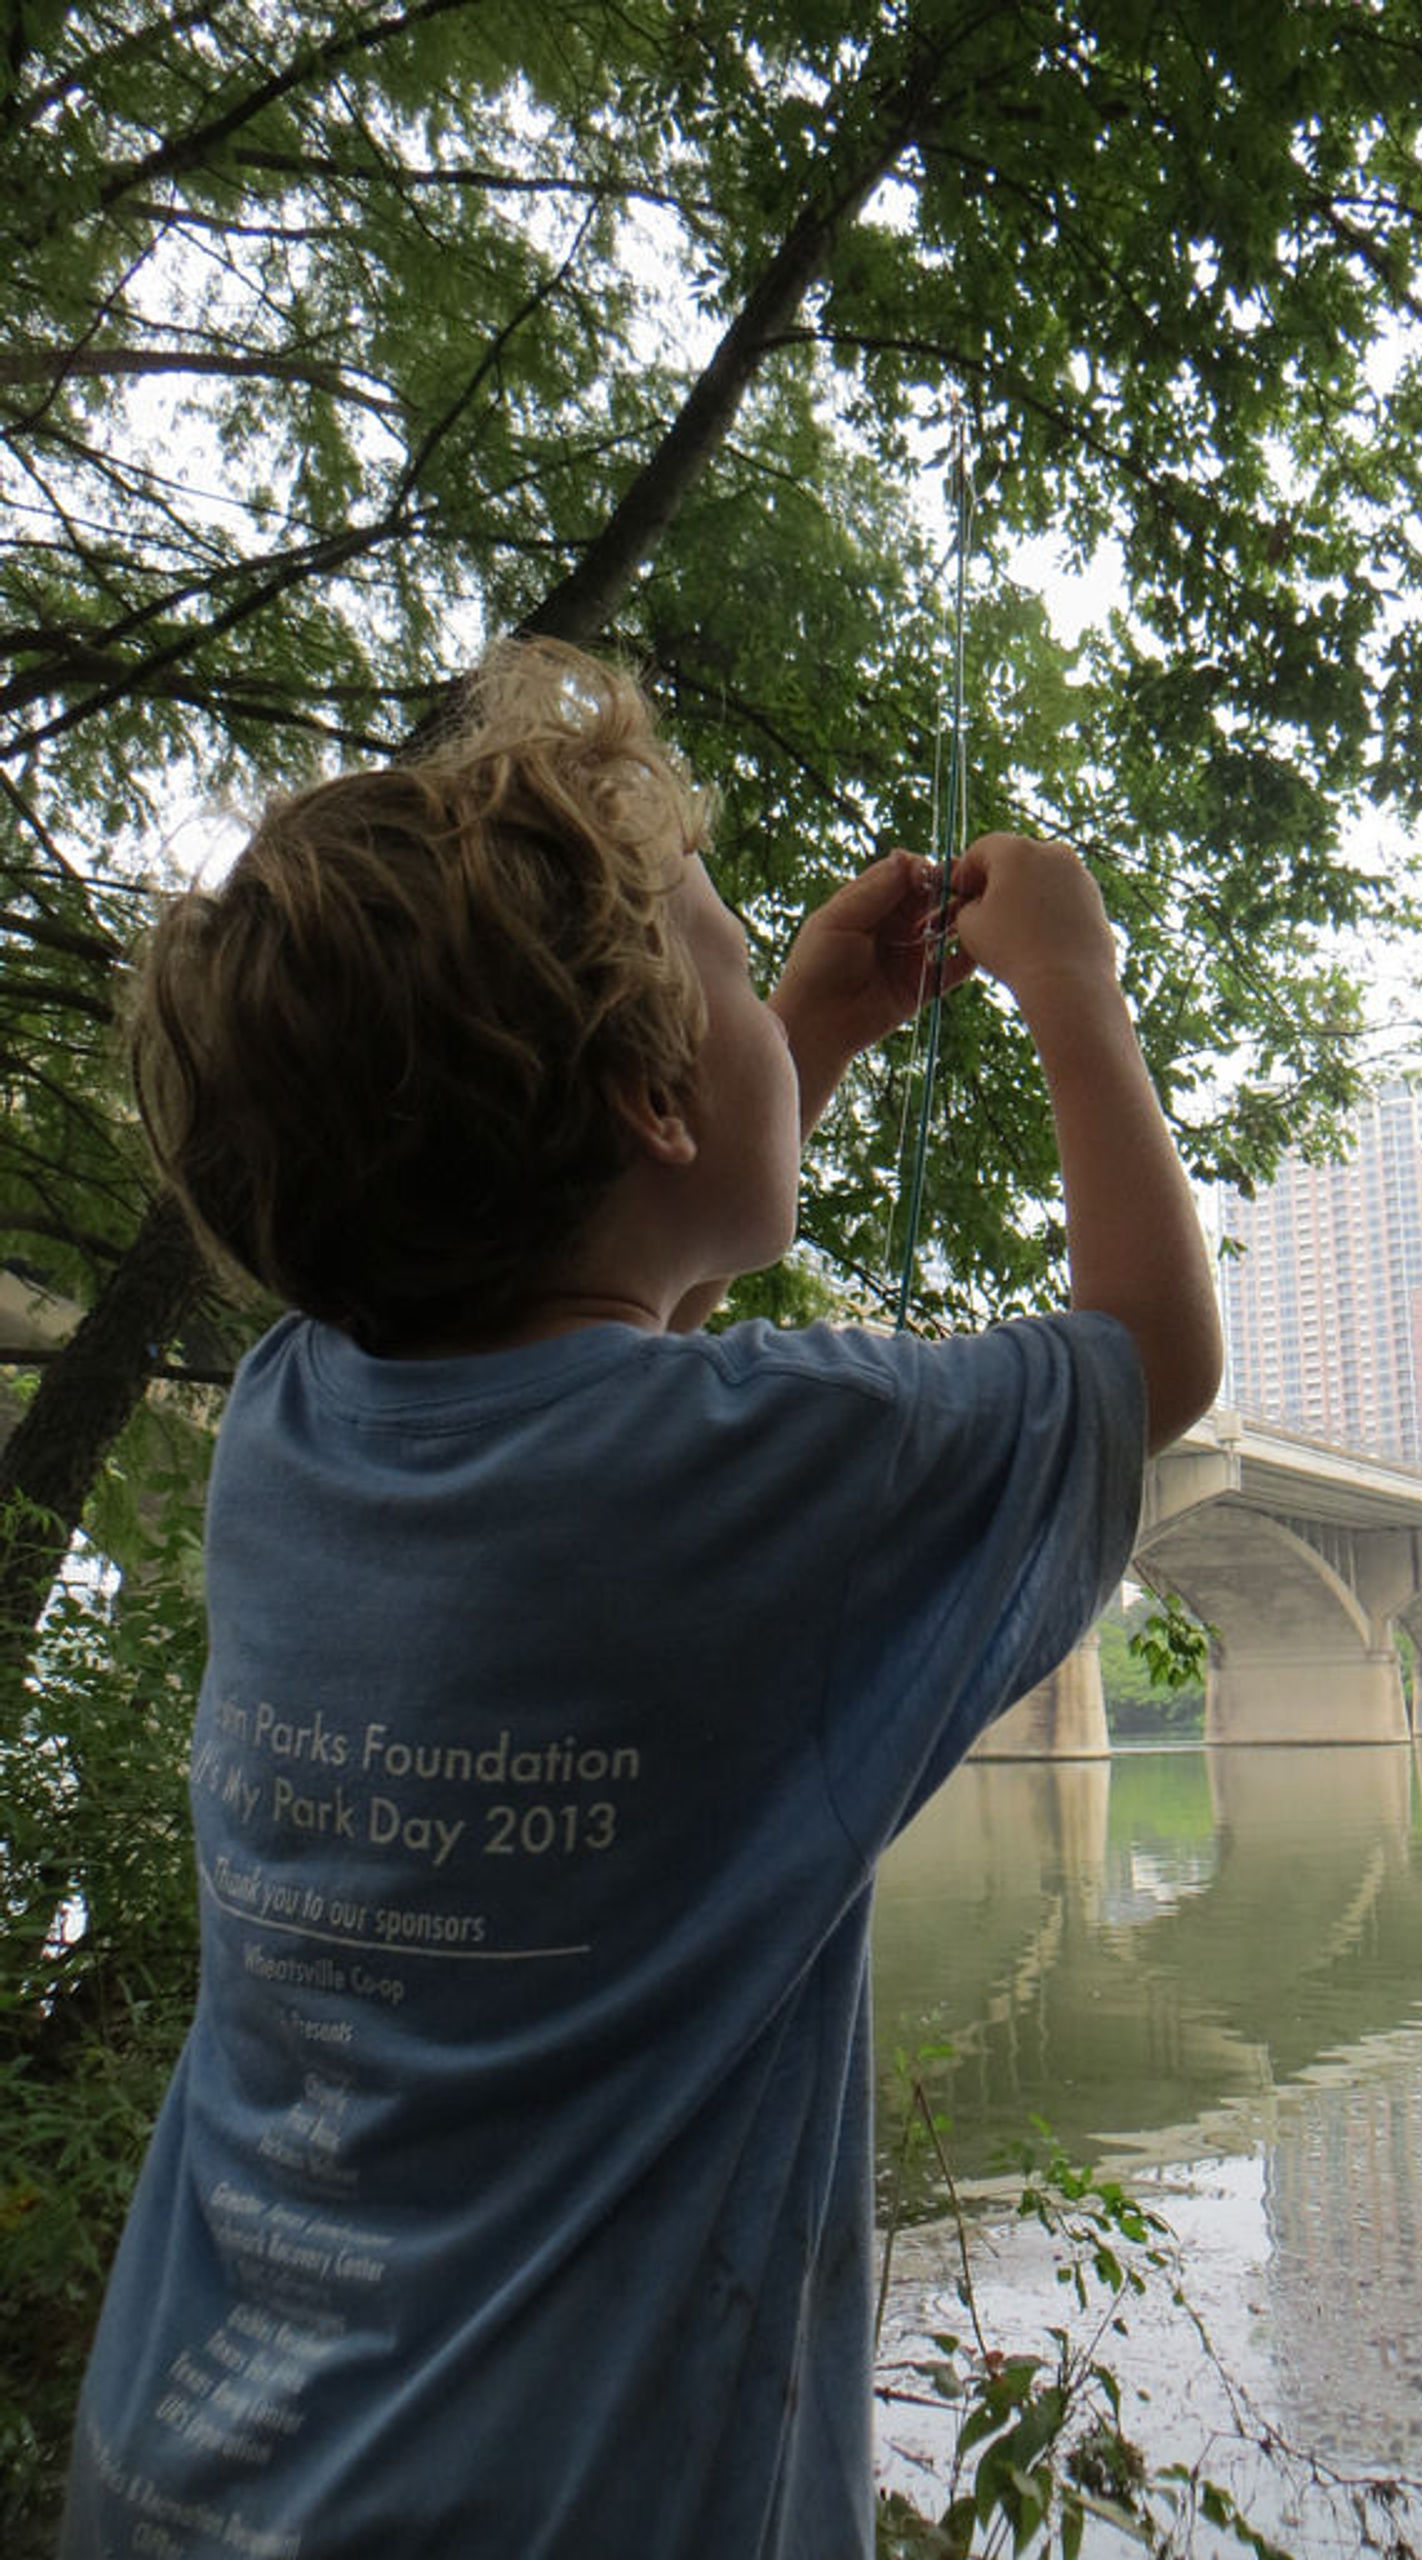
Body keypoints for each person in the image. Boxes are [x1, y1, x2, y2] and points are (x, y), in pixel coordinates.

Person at [63, 639, 1221, 2560]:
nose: (768, 1007)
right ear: (652, 1106)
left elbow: (582, 1382)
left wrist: (791, 1041)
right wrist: (1074, 989)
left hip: (193, 2470)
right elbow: (1145, 1359)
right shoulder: (796, 1467)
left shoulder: (296, 1423)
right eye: (729, 965)